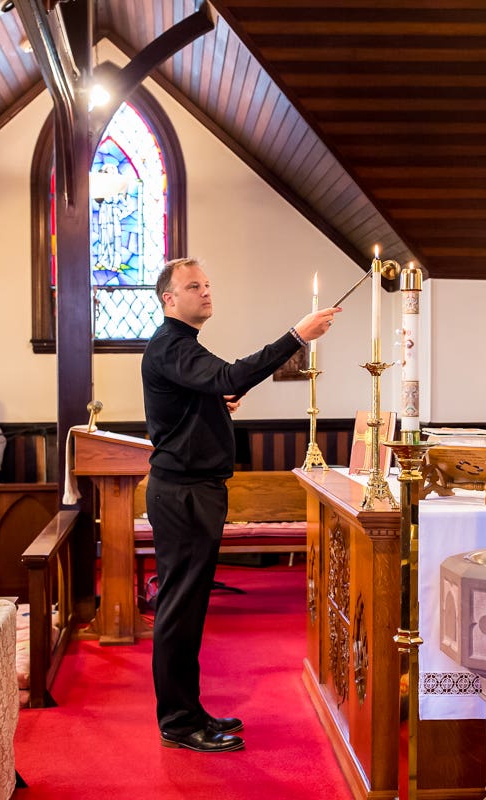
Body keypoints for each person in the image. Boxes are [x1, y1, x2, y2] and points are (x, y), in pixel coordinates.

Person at [141, 257, 340, 753]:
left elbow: (219, 385)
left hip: (195, 489)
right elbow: (231, 375)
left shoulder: (184, 347)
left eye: (208, 284)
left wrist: (215, 402)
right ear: (170, 299)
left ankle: (189, 710)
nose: (206, 292)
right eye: (194, 286)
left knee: (188, 608)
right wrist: (296, 336)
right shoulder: (169, 345)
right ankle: (179, 722)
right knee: (179, 609)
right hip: (183, 493)